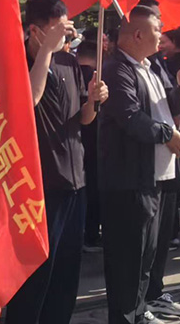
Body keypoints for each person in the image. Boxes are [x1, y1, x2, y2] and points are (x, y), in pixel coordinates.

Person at [6, 0, 109, 324]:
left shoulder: (69, 63)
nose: (67, 35)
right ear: (35, 30)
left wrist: (93, 101)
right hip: (39, 186)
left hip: (75, 181)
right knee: (37, 271)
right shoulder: (18, 61)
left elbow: (83, 120)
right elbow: (27, 102)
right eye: (58, 29)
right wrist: (46, 52)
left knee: (66, 272)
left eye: (67, 28)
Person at [100, 5, 180, 324]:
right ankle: (126, 316)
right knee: (128, 256)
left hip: (157, 177)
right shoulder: (117, 70)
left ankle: (139, 309)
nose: (161, 36)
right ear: (138, 34)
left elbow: (169, 106)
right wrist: (167, 134)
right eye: (157, 29)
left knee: (147, 255)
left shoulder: (151, 67)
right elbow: (130, 117)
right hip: (130, 178)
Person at [76, 39, 103, 252]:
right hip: (95, 142)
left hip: (75, 143)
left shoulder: (70, 73)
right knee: (93, 190)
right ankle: (91, 235)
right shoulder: (96, 80)